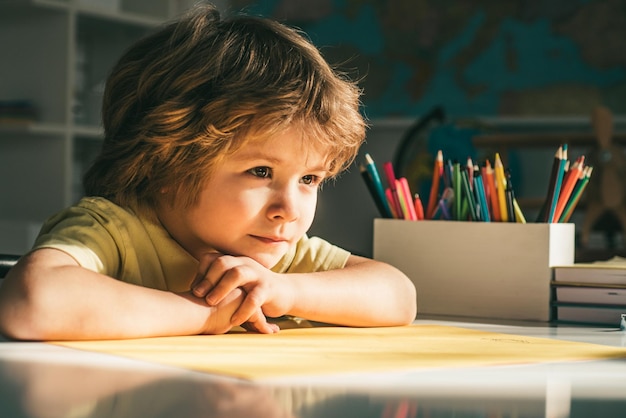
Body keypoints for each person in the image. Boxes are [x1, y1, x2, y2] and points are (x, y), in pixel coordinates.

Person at [0, 2, 416, 341]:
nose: (289, 210)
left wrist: (285, 291)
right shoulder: (113, 231)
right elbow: (32, 303)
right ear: (166, 165)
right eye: (260, 171)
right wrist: (202, 314)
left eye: (309, 179)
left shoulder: (276, 257)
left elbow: (398, 295)